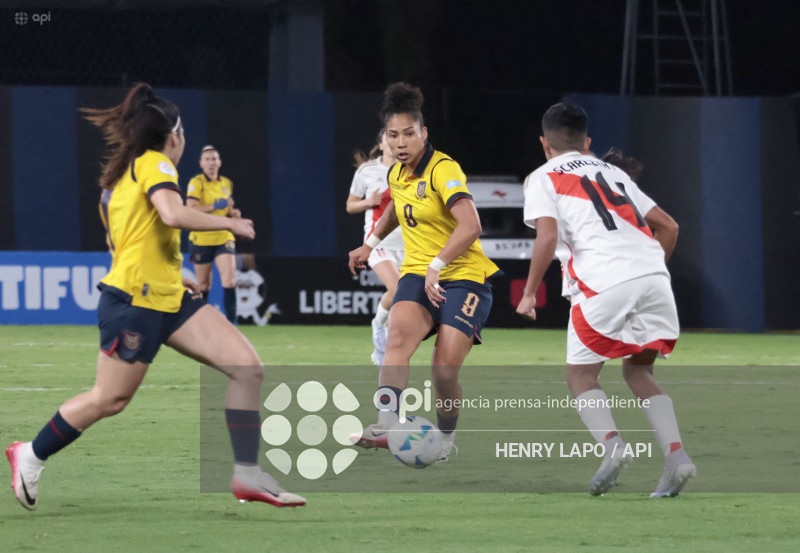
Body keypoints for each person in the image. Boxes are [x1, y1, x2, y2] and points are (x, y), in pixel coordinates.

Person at [5, 83, 305, 510]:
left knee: (248, 369)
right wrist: (229, 226)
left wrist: (176, 270)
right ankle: (30, 454)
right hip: (132, 305)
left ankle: (246, 473)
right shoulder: (156, 165)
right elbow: (171, 214)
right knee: (110, 399)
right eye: (183, 134)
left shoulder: (120, 180)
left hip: (168, 297)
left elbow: (131, 242)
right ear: (174, 136)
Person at [516, 102, 696, 497]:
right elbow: (668, 226)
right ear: (587, 142)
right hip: (653, 277)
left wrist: (529, 293)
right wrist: (646, 272)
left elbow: (546, 237)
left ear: (544, 143)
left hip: (602, 281)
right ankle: (677, 456)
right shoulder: (612, 171)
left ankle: (614, 448)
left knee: (581, 376)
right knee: (638, 372)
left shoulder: (542, 177)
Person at [348, 82, 501, 462]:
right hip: (419, 272)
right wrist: (370, 243)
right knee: (396, 337)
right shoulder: (397, 174)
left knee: (444, 370)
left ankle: (445, 440)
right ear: (385, 138)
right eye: (393, 135)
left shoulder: (443, 169)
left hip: (463, 275)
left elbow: (471, 226)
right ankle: (385, 424)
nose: (401, 142)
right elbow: (395, 209)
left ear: (424, 133)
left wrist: (437, 266)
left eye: (409, 134)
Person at [346, 129, 401, 366]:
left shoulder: (410, 170)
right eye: (390, 136)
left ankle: (385, 351)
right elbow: (350, 206)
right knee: (398, 289)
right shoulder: (367, 171)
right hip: (377, 244)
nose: (396, 142)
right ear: (381, 143)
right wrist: (369, 202)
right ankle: (378, 324)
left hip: (410, 245)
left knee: (404, 300)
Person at [187, 145, 241, 324]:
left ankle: (232, 324)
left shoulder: (226, 183)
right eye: (207, 159)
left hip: (223, 236)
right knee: (203, 286)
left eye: (214, 159)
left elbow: (228, 208)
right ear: (201, 164)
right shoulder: (197, 183)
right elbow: (191, 209)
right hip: (201, 238)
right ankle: (202, 324)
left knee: (230, 280)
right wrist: (215, 205)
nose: (211, 162)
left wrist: (234, 214)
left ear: (220, 162)